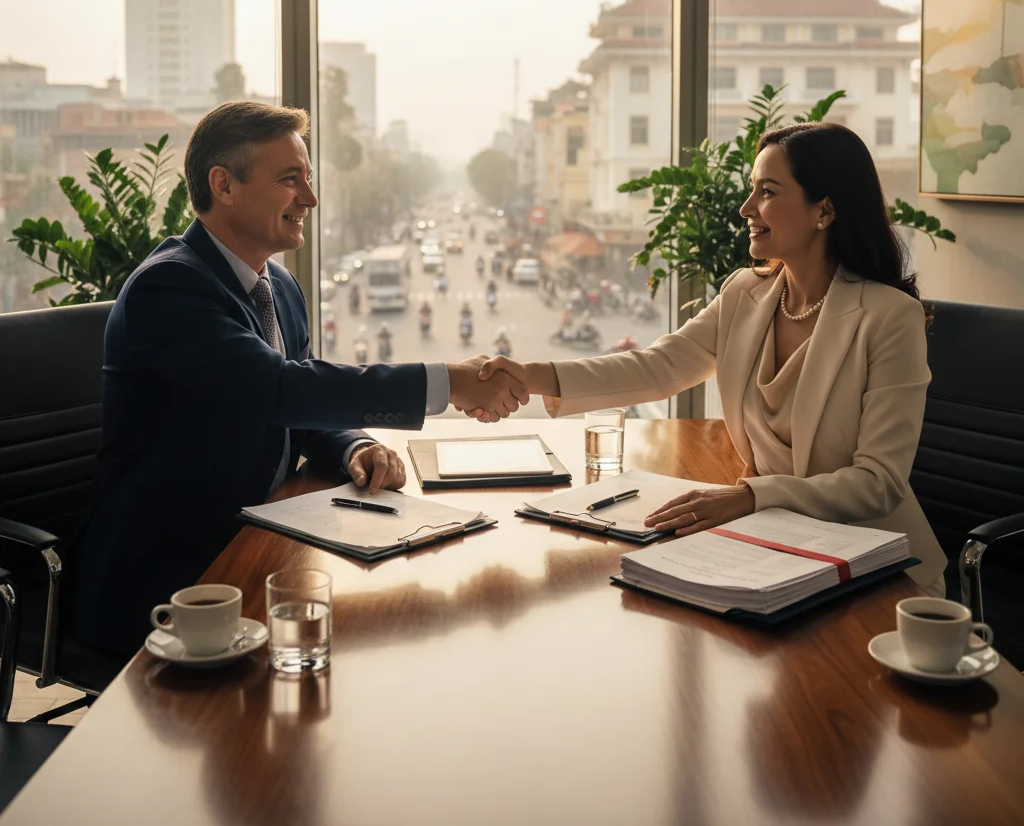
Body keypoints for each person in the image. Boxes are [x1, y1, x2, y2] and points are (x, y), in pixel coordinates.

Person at [71, 100, 527, 660]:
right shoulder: (167, 290)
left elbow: (298, 409)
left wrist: (353, 442)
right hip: (177, 581)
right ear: (224, 185)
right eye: (290, 181)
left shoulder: (279, 288)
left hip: (264, 546)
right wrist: (449, 382)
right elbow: (280, 389)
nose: (309, 199)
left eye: (308, 180)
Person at [472, 122, 947, 596]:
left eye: (767, 192)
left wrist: (750, 496)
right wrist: (529, 375)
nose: (746, 209)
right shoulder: (745, 293)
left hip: (876, 569)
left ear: (823, 210)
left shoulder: (889, 319)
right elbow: (657, 368)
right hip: (777, 549)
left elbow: (877, 483)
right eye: (751, 190)